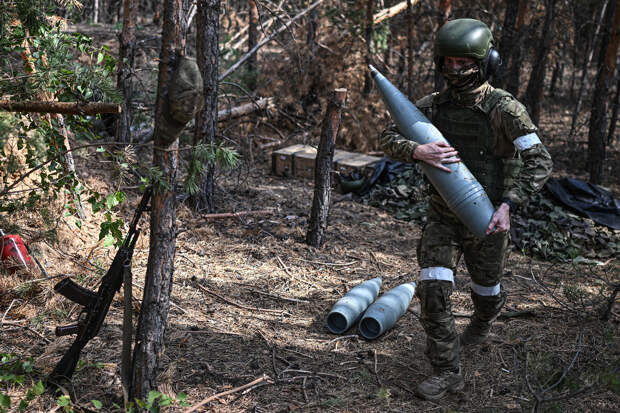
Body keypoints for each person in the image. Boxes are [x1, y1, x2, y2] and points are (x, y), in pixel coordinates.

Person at [378, 18, 553, 400]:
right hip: (442, 218)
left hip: (489, 221)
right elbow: (387, 135)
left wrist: (509, 204)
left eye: (464, 63)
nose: (454, 71)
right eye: (448, 63)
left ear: (486, 61)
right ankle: (447, 371)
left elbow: (540, 161)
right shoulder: (433, 108)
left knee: (486, 291)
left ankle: (485, 317)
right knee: (433, 290)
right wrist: (416, 149)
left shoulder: (504, 110)